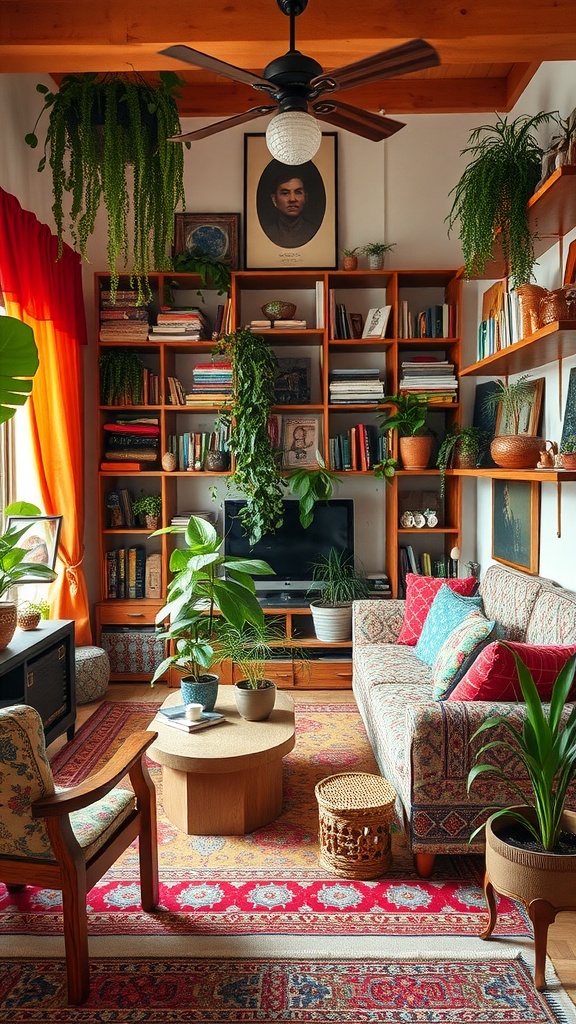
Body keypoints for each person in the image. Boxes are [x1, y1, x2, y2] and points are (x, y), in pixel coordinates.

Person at [260, 168, 321, 248]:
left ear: (305, 198)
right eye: (285, 193)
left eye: (298, 192)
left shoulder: (315, 231)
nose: (292, 199)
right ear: (274, 199)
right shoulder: (266, 233)